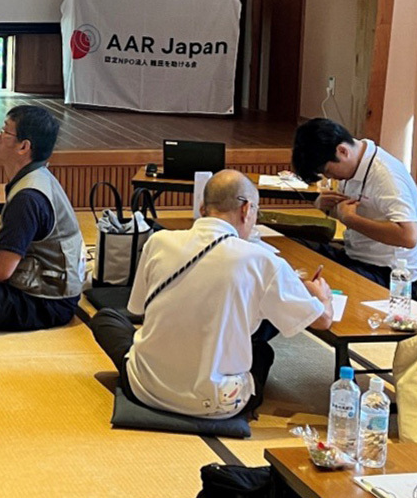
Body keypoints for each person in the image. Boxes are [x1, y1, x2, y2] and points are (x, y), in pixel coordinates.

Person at [90, 171, 334, 418]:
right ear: (247, 209)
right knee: (261, 352)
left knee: (106, 319)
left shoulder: (158, 241)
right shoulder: (263, 261)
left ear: (202, 207)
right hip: (218, 404)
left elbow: (138, 309)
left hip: (145, 388)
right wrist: (321, 296)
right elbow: (323, 321)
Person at [0, 105, 84, 331]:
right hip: (52, 290)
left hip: (43, 302)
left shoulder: (27, 197)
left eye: (5, 131)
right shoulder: (37, 176)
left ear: (23, 146)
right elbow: (24, 249)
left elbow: (1, 271)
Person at [292, 118, 417, 286]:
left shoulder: (386, 177)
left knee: (320, 282)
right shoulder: (354, 163)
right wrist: (327, 208)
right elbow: (351, 212)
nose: (329, 177)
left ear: (342, 151)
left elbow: (408, 237)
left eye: (327, 171)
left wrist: (352, 220)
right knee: (293, 249)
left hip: (388, 274)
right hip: (354, 258)